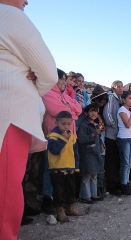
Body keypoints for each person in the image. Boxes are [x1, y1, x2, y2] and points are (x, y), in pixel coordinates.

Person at [0, 1, 57, 239]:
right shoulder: (10, 15)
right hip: (11, 114)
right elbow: (48, 72)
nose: (26, 1)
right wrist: (34, 84)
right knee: (6, 189)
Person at [42, 69, 82, 211]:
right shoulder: (48, 93)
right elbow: (56, 111)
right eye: (62, 79)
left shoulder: (65, 94)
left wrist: (69, 109)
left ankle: (65, 202)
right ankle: (48, 199)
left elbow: (79, 109)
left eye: (65, 79)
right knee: (52, 168)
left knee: (67, 170)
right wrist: (72, 114)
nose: (64, 82)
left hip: (70, 136)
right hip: (54, 135)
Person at [47, 111, 84, 222]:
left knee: (70, 189)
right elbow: (54, 150)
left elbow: (75, 152)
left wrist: (75, 167)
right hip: (57, 169)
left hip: (69, 168)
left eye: (68, 124)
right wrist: (62, 139)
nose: (66, 126)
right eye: (63, 124)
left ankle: (70, 208)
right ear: (56, 122)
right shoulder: (53, 136)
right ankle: (60, 211)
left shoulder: (71, 135)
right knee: (59, 191)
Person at [77, 104, 104, 204]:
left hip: (95, 152)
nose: (94, 113)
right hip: (87, 153)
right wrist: (94, 134)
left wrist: (101, 144)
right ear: (86, 113)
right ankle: (85, 196)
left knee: (94, 174)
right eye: (91, 111)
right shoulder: (84, 125)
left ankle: (94, 194)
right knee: (87, 175)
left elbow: (99, 137)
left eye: (96, 111)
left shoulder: (96, 125)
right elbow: (82, 139)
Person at [103, 80, 124, 195]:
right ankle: (111, 186)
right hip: (111, 135)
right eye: (118, 86)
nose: (120, 88)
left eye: (121, 86)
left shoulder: (120, 100)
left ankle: (116, 184)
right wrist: (115, 126)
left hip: (117, 135)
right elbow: (108, 115)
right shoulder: (111, 98)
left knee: (117, 161)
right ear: (113, 88)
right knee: (111, 162)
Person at [116, 91, 131, 196]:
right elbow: (128, 125)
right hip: (123, 138)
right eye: (129, 98)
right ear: (124, 100)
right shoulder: (122, 110)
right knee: (125, 163)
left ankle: (126, 184)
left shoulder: (130, 111)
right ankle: (123, 186)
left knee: (129, 162)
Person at [90, 84, 108, 197]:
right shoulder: (94, 112)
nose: (102, 102)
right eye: (100, 100)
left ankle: (100, 189)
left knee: (101, 164)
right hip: (96, 141)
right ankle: (97, 190)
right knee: (97, 165)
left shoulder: (101, 112)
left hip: (101, 140)